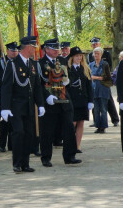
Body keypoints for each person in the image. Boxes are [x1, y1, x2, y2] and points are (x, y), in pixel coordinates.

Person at [1, 36, 45, 173]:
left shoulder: (32, 64)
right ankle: (17, 163)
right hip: (16, 106)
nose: (35, 50)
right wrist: (5, 108)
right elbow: (6, 87)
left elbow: (36, 86)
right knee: (18, 133)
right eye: (34, 47)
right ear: (28, 47)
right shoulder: (13, 64)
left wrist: (41, 104)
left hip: (29, 106)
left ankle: (25, 164)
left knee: (28, 134)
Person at [38, 38, 81, 167]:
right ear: (46, 49)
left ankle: (70, 156)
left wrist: (67, 81)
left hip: (64, 100)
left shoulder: (62, 61)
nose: (56, 51)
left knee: (69, 128)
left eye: (57, 48)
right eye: (53, 48)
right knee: (48, 131)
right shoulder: (40, 64)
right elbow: (39, 84)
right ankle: (46, 157)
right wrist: (46, 96)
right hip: (50, 102)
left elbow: (71, 75)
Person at [88, 37, 119, 126]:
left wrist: (98, 77)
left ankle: (115, 119)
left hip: (104, 83)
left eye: (96, 44)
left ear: (100, 44)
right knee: (95, 104)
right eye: (93, 44)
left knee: (109, 101)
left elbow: (109, 66)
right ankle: (96, 121)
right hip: (95, 84)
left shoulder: (106, 54)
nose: (95, 45)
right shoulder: (90, 55)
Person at [67, 47, 94, 153]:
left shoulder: (85, 69)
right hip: (72, 100)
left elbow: (89, 87)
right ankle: (70, 143)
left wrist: (90, 100)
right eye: (76, 56)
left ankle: (78, 145)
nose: (79, 58)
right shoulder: (68, 69)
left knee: (81, 123)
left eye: (80, 56)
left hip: (83, 99)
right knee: (72, 123)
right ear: (72, 57)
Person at [0, 41, 18, 152]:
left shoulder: (18, 62)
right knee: (4, 121)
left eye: (16, 50)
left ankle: (12, 144)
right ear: (8, 50)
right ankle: (2, 144)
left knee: (14, 121)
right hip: (4, 95)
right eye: (12, 50)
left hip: (16, 96)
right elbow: (0, 77)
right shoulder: (1, 62)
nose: (14, 53)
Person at [89, 47, 112, 134]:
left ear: (101, 54)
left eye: (97, 53)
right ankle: (98, 126)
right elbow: (89, 76)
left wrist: (95, 77)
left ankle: (103, 127)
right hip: (94, 89)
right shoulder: (90, 65)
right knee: (96, 110)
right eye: (94, 54)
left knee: (103, 109)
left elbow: (106, 77)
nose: (96, 55)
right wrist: (98, 78)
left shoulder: (105, 64)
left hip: (103, 89)